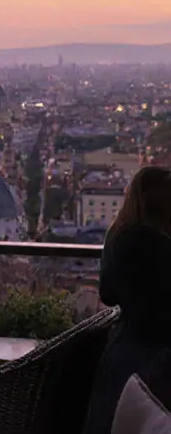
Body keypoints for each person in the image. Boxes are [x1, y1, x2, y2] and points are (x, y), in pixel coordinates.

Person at [83, 165, 171, 434]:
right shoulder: (156, 243)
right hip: (155, 356)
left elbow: (107, 295)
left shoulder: (118, 235)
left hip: (124, 351)